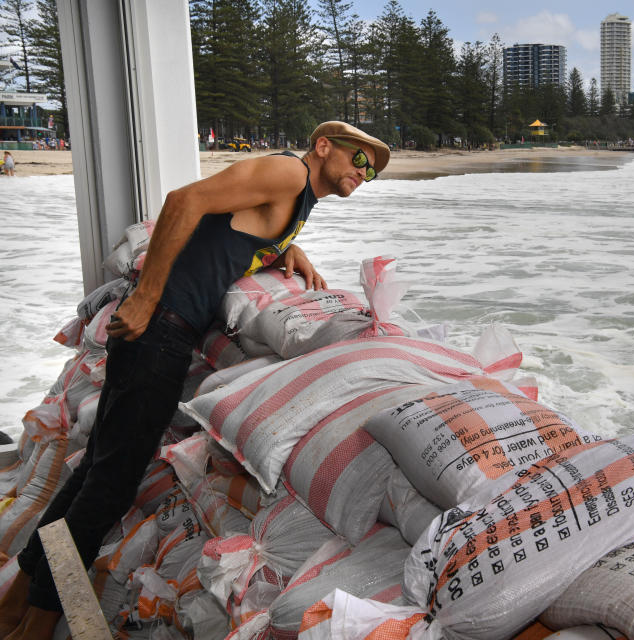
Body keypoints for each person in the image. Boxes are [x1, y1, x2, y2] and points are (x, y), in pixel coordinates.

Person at [0, 121, 389, 640]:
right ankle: (37, 624)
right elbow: (185, 201)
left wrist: (287, 248)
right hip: (158, 328)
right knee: (111, 487)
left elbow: (231, 235)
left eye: (374, 171)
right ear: (323, 147)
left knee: (96, 468)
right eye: (359, 159)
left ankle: (17, 599)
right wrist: (145, 297)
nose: (365, 174)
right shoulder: (288, 173)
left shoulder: (296, 200)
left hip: (160, 332)